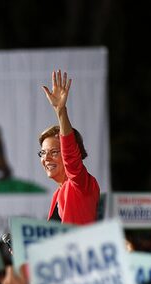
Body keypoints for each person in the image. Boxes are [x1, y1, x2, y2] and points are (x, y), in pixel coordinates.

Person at [40, 70, 100, 224]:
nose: (46, 158)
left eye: (53, 152)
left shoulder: (80, 184)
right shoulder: (58, 194)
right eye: (43, 152)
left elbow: (70, 157)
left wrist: (61, 111)